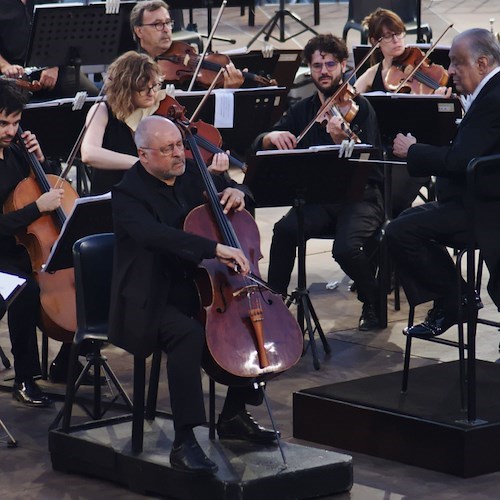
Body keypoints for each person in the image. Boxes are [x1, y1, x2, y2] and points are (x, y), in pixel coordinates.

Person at [109, 115, 276, 474]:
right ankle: (185, 441)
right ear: (143, 154)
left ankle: (234, 413)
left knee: (250, 322)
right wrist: (215, 249)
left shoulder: (191, 173)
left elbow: (237, 189)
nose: (177, 154)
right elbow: (158, 237)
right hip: (150, 297)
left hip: (198, 287)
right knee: (188, 335)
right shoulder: (127, 195)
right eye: (167, 149)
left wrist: (237, 192)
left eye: (178, 146)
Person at [252, 34, 384, 331]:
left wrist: (346, 139)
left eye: (329, 64)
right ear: (309, 70)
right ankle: (274, 303)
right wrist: (271, 137)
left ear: (342, 65)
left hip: (361, 197)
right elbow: (259, 141)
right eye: (316, 66)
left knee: (345, 249)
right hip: (320, 197)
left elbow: (369, 158)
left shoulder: (360, 108)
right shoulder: (302, 110)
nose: (323, 71)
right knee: (284, 231)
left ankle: (372, 299)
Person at [387, 28, 500, 338]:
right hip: (473, 201)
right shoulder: (488, 93)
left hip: (485, 210)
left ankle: (456, 298)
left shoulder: (493, 98)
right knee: (405, 221)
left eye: (455, 62)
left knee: (399, 231)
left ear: (481, 63)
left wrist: (413, 150)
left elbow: (459, 161)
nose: (449, 71)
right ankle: (453, 296)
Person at [80, 51, 231, 195]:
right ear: (125, 88)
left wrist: (208, 172)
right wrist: (142, 162)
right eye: (143, 89)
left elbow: (179, 160)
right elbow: (89, 153)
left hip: (154, 196)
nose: (152, 93)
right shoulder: (102, 110)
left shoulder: (163, 106)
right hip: (113, 192)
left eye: (155, 85)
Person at [0, 78, 65, 406]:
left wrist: (41, 160)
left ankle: (68, 359)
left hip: (24, 248)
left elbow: (46, 187)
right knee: (25, 289)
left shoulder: (15, 153)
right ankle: (25, 377)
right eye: (2, 123)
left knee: (79, 271)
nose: (10, 131)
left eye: (14, 122)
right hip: (3, 257)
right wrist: (34, 209)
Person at [354, 8, 452, 217]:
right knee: (365, 193)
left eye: (399, 33)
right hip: (383, 151)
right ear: (375, 42)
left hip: (416, 150)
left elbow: (443, 118)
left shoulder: (424, 69)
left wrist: (439, 96)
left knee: (390, 201)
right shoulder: (371, 75)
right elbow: (350, 102)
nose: (396, 40)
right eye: (388, 36)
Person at [130, 0, 245, 89]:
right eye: (157, 24)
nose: (166, 29)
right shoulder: (132, 71)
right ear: (139, 31)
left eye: (168, 23)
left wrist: (229, 90)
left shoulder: (187, 75)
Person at [0, 0, 98, 100]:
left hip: (52, 68)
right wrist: (5, 66)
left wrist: (53, 66)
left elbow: (62, 34)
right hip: (13, 74)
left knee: (91, 95)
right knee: (12, 105)